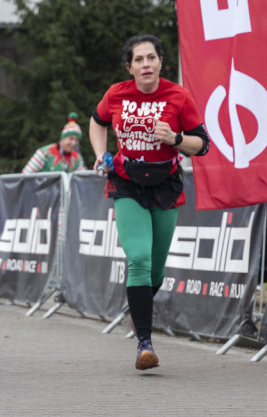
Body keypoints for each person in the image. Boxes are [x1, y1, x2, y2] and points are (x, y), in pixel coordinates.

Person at [88, 34, 210, 372]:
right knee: (138, 258)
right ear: (130, 67)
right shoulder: (116, 94)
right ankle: (145, 343)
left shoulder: (178, 96)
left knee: (155, 269)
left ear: (160, 63)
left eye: (151, 58)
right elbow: (97, 122)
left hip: (165, 185)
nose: (145, 64)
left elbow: (203, 145)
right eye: (138, 59)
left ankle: (137, 310)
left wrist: (176, 139)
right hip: (126, 182)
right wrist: (101, 156)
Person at [22, 113, 87, 174]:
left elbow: (82, 180)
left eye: (77, 140)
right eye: (71, 138)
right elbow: (25, 176)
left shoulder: (78, 158)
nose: (74, 143)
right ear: (63, 138)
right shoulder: (43, 153)